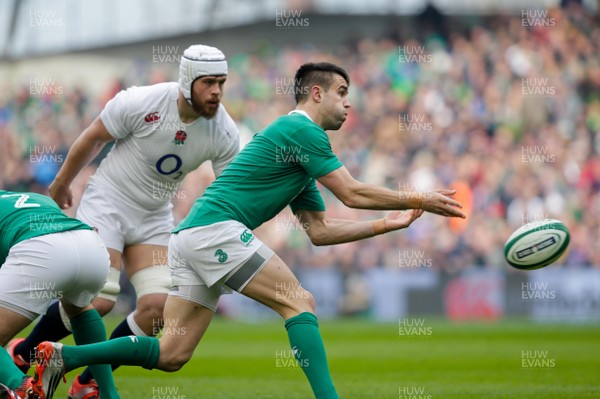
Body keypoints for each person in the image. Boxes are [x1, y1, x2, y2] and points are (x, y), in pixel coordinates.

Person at [31, 62, 465, 399]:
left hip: (191, 237)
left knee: (171, 356)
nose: (349, 103)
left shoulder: (298, 151)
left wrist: (388, 224)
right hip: (213, 232)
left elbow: (320, 231)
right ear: (317, 93)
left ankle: (63, 357)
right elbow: (350, 192)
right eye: (342, 93)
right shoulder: (302, 129)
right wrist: (419, 198)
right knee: (300, 301)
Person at [6, 44, 239, 399]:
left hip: (155, 215)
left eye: (221, 82)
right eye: (209, 82)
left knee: (157, 310)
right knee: (99, 303)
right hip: (109, 203)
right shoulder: (142, 101)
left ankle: (88, 382)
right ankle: (26, 353)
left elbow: (230, 191)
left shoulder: (224, 132)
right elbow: (93, 137)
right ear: (188, 80)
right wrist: (62, 184)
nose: (217, 92)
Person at [0, 190, 119, 399]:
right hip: (91, 246)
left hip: (42, 250)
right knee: (79, 309)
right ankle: (109, 394)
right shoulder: (28, 196)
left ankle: (23, 387)